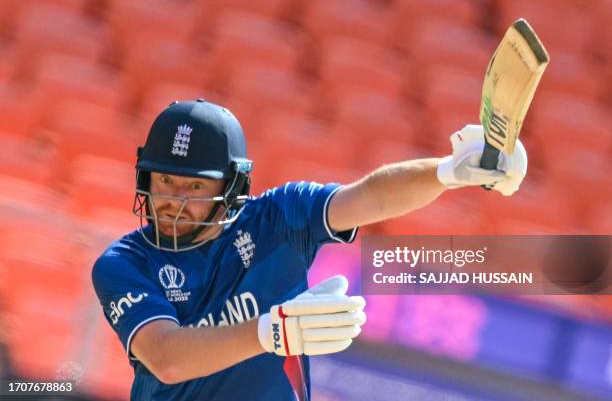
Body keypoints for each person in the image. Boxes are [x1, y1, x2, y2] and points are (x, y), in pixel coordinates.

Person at [92, 99, 527, 400]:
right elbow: (168, 359)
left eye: (195, 185)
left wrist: (449, 172)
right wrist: (272, 332)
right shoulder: (124, 263)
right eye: (164, 180)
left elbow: (368, 197)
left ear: (233, 188)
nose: (174, 200)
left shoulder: (279, 220)